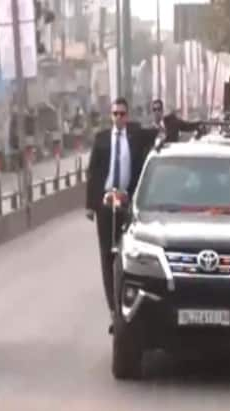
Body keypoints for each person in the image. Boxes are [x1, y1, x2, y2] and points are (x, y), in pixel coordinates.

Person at [86, 97, 155, 327]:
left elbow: (157, 134)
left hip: (127, 204)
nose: (118, 118)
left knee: (127, 254)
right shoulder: (102, 139)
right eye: (114, 114)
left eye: (122, 114)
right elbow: (93, 173)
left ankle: (129, 303)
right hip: (106, 203)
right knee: (107, 256)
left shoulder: (135, 137)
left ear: (127, 116)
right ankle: (113, 310)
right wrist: (90, 204)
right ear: (111, 116)